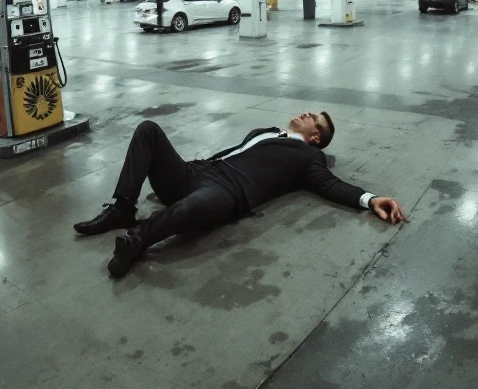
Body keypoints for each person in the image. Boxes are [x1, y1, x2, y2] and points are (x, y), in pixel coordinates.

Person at [74, 112, 407, 277]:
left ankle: (137, 240)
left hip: (225, 190)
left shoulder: (309, 157)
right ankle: (122, 208)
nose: (306, 114)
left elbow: (329, 184)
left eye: (313, 119)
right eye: (308, 112)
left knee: (201, 204)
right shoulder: (265, 132)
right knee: (149, 129)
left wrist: (370, 198)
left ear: (316, 138)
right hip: (198, 171)